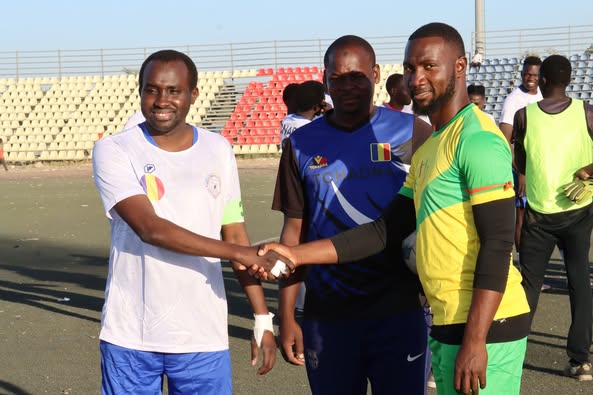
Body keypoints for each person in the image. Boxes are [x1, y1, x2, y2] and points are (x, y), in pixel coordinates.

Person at [258, 23, 530, 395]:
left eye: (429, 66)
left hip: (484, 325)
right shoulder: (434, 143)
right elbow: (383, 231)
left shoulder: (478, 138)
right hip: (448, 320)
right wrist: (294, 254)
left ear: (461, 66)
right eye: (410, 68)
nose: (417, 78)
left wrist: (475, 340)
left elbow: (498, 244)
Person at [92, 49, 283, 395]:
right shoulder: (114, 149)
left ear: (193, 94)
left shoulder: (218, 149)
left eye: (173, 91)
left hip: (202, 335)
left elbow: (235, 231)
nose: (161, 100)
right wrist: (246, 254)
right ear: (140, 93)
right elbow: (150, 229)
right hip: (130, 335)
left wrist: (262, 317)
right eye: (151, 90)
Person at [271, 35, 433, 395]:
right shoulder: (300, 144)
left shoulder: (413, 132)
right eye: (338, 77)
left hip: (401, 308)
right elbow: (293, 230)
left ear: (375, 74)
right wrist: (286, 316)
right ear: (325, 79)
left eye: (357, 76)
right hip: (328, 313)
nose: (347, 86)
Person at [513, 54, 593, 381]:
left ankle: (513, 354)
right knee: (579, 282)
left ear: (542, 80)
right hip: (579, 210)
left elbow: (520, 162)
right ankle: (580, 361)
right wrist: (588, 169)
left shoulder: (524, 116)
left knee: (528, 285)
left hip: (539, 213)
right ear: (569, 80)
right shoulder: (587, 112)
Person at [499, 56, 543, 260]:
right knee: (522, 219)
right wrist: (521, 171)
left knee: (540, 219)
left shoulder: (544, 95)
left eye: (534, 74)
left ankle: (534, 268)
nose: (530, 78)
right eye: (526, 74)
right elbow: (506, 140)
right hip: (523, 170)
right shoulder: (514, 100)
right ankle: (526, 268)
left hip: (543, 168)